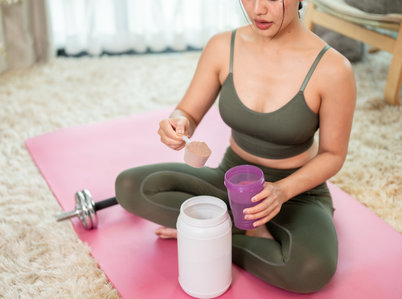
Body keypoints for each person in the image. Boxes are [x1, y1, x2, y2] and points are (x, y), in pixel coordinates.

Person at [115, 0, 356, 294]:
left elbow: (333, 155)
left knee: (310, 269)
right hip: (230, 180)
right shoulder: (222, 47)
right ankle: (238, 233)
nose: (257, 9)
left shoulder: (333, 69)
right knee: (131, 186)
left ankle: (205, 235)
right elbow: (186, 113)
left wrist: (281, 191)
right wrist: (177, 125)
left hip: (297, 193)